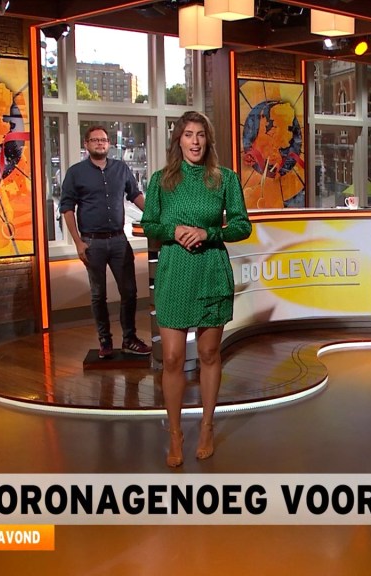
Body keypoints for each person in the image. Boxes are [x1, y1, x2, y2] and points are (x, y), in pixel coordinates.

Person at [140, 111, 251, 468]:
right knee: (173, 358)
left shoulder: (224, 179)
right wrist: (173, 231)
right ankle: (175, 433)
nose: (195, 141)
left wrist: (209, 232)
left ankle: (206, 427)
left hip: (211, 271)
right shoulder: (161, 181)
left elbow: (242, 225)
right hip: (174, 272)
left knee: (209, 353)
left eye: (201, 134)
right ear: (179, 140)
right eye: (188, 134)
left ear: (208, 140)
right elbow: (148, 224)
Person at [59, 126, 152, 359]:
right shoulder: (75, 173)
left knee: (129, 292)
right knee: (98, 295)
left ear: (109, 144)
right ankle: (105, 341)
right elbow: (67, 209)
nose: (100, 143)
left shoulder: (121, 169)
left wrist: (156, 214)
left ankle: (129, 339)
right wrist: (78, 243)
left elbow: (135, 195)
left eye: (103, 140)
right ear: (86, 144)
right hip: (92, 243)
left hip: (119, 240)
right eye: (95, 140)